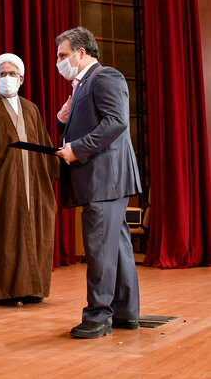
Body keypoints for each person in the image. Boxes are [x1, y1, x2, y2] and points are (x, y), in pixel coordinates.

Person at [54, 27, 142, 339]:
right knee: (115, 248)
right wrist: (63, 121)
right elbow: (88, 123)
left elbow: (115, 122)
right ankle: (125, 313)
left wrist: (76, 149)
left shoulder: (105, 77)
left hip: (104, 177)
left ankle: (98, 316)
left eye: (63, 55)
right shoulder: (81, 86)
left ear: (81, 52)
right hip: (103, 178)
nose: (59, 61)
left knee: (100, 249)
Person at [0, 53, 60, 307]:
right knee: (4, 234)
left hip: (34, 184)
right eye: (2, 74)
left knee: (33, 232)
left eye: (12, 74)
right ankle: (5, 292)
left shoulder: (31, 108)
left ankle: (32, 288)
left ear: (21, 78)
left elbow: (43, 144)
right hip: (2, 183)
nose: (7, 78)